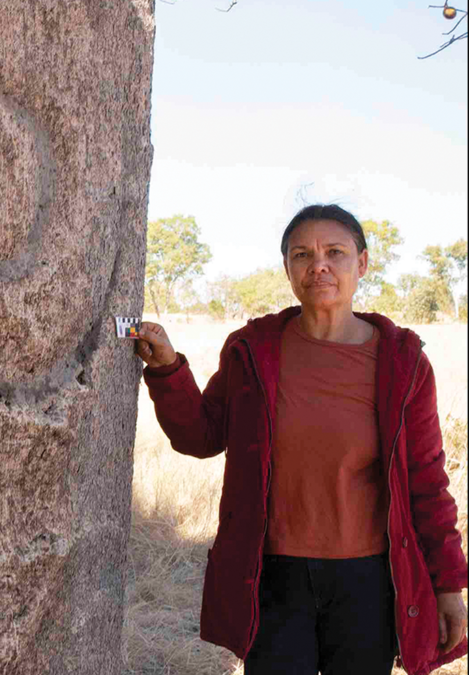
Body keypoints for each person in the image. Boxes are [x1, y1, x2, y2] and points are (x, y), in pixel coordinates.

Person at [135, 204, 468, 675]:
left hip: (369, 582)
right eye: (301, 254)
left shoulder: (403, 361)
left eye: (336, 252)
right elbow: (200, 435)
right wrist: (168, 367)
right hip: (273, 577)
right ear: (288, 268)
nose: (319, 265)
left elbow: (428, 483)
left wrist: (449, 587)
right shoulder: (254, 350)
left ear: (363, 263)